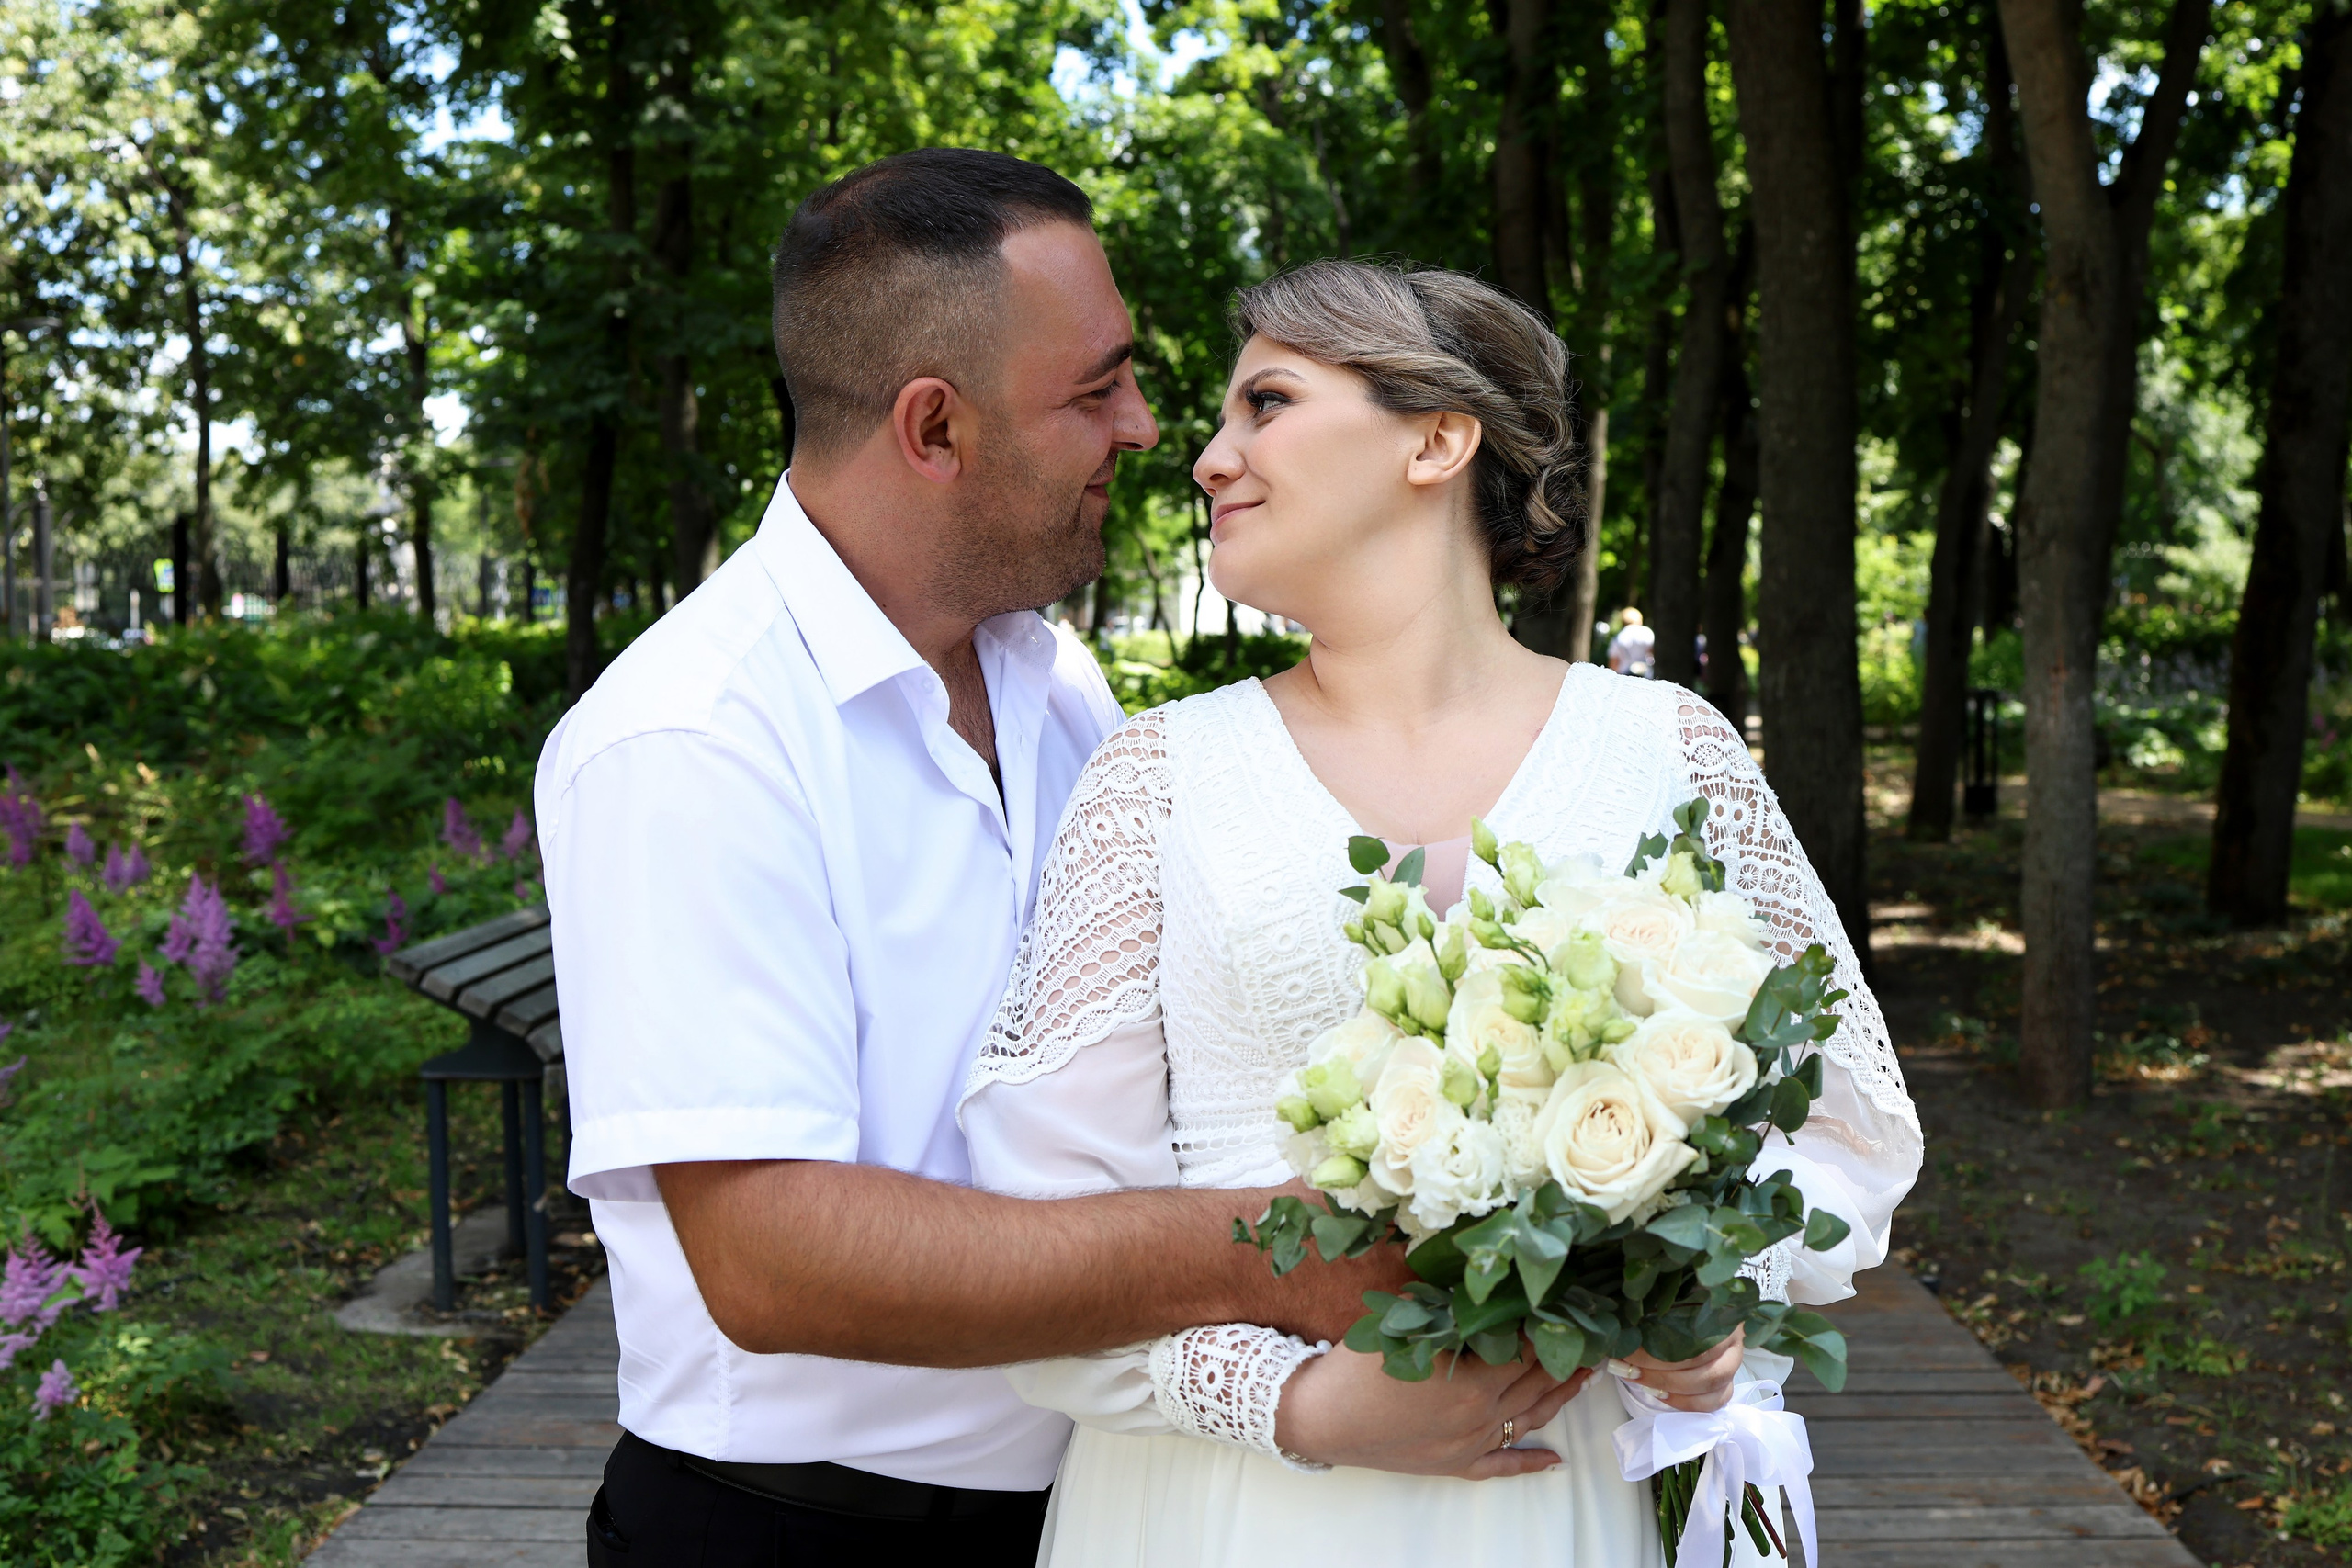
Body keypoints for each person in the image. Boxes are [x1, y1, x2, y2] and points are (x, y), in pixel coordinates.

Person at [540, 152, 1592, 1568]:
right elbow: (772, 1253)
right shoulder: (689, 737)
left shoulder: (1060, 689)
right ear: (934, 428)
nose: (1151, 427)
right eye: (1097, 389)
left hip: (1130, 1501)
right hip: (807, 1532)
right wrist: (1270, 1245)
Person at [959, 259, 1923, 1564]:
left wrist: (1706, 1295)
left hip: (1565, 1479)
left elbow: (1842, 1119)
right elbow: (1046, 1221)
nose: (1206, 458)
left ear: (1437, 437)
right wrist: (1299, 1401)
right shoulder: (1154, 775)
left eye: (1268, 404)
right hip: (1224, 1506)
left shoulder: (1669, 749)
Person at [1608, 604, 1657, 676]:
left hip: (1624, 677)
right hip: (1646, 677)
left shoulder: (1618, 637)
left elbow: (1614, 663)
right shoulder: (1648, 633)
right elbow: (1652, 654)